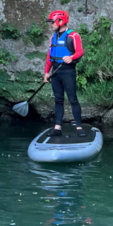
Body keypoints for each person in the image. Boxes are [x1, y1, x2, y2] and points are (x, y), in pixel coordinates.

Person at [43, 10, 85, 138]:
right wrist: (46, 72)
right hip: (55, 73)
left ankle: (79, 127)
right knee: (58, 100)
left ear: (61, 21)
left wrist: (71, 57)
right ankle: (57, 127)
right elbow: (50, 56)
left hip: (68, 72)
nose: (51, 25)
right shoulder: (53, 37)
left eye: (53, 22)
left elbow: (80, 52)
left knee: (72, 99)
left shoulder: (73, 36)